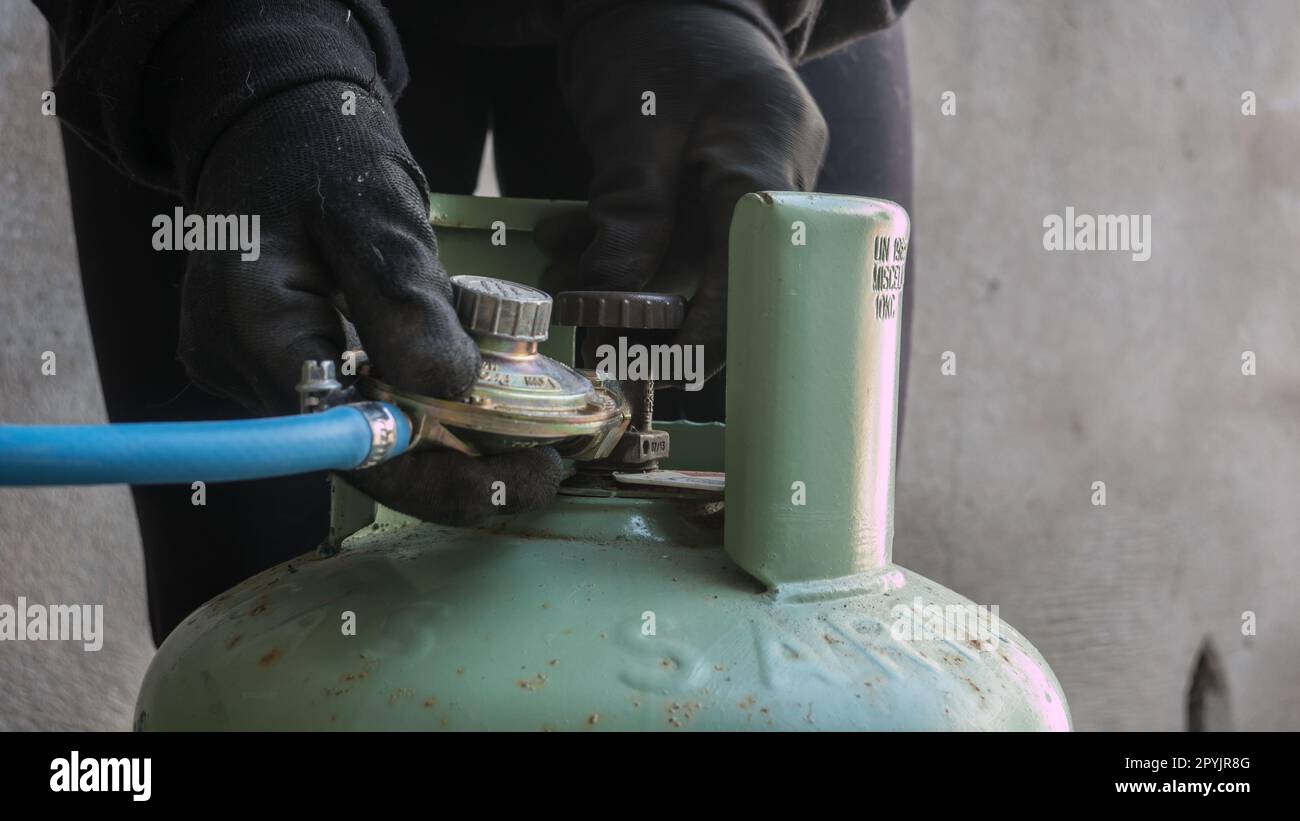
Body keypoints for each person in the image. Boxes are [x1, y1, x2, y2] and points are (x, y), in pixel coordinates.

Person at [35, 0, 913, 643]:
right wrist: (240, 54)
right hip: (258, 31)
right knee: (251, 623)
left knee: (784, 612)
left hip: (709, 31)